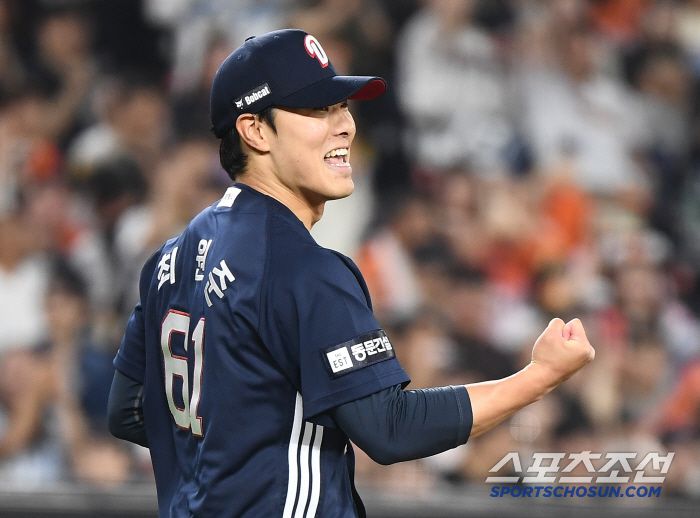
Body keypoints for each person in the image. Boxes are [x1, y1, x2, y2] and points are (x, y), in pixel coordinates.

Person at [107, 29, 595, 517]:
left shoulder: (168, 260)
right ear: (254, 131)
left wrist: (233, 444)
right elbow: (391, 429)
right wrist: (539, 377)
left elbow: (127, 412)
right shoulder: (303, 268)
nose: (345, 126)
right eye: (318, 109)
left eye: (342, 107)